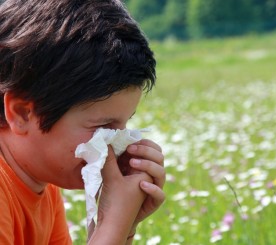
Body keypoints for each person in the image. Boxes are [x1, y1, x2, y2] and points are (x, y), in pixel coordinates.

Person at [0, 0, 166, 244]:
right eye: (103, 128)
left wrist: (123, 227)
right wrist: (114, 223)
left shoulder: (41, 183)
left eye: (124, 125)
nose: (117, 146)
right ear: (23, 113)